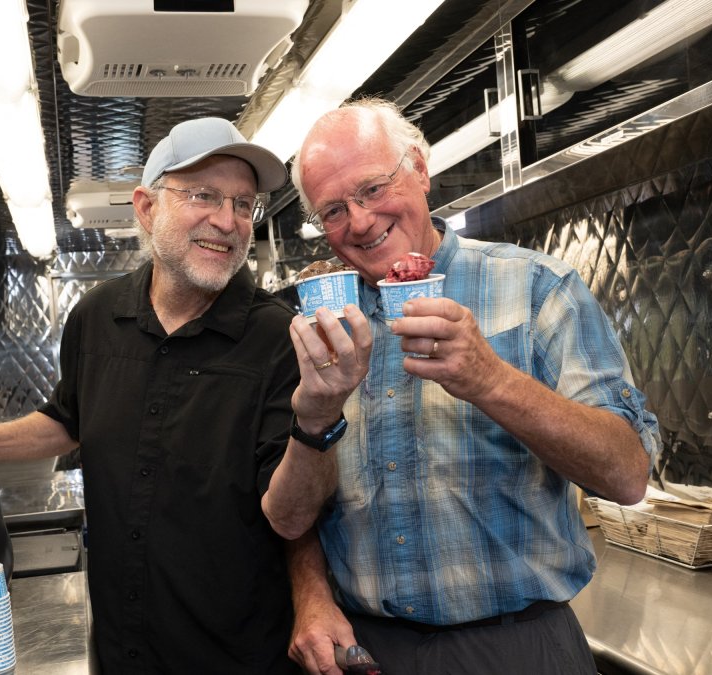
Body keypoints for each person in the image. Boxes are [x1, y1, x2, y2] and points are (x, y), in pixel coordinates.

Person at [0, 117, 370, 674]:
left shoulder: (277, 338)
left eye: (244, 204)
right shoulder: (96, 318)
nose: (228, 220)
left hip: (234, 655)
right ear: (146, 207)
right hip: (121, 649)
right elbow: (69, 420)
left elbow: (289, 514)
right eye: (204, 196)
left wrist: (317, 420)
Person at [282, 98, 662, 674]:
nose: (358, 222)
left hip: (519, 649)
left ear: (419, 169)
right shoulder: (323, 325)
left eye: (372, 189)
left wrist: (491, 380)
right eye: (332, 210)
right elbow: (296, 508)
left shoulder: (537, 287)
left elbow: (627, 474)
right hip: (371, 652)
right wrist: (309, 594)